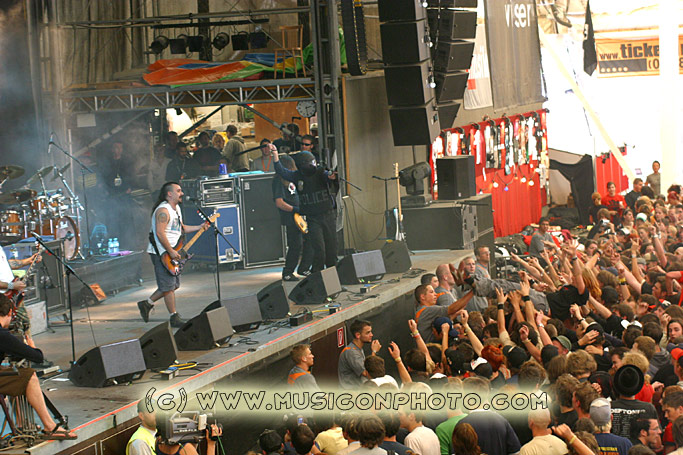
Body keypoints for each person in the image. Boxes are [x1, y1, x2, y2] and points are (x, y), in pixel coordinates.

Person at [0, 294, 77, 440]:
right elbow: (37, 357)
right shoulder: (2, 335)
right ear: (9, 312)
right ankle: (49, 426)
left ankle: (22, 424)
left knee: (14, 375)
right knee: (29, 375)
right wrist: (31, 347)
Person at [137, 182, 209, 328]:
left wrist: (199, 227)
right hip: (162, 253)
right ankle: (174, 316)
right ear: (170, 194)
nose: (182, 193)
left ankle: (147, 303)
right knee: (168, 286)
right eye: (179, 191)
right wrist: (170, 251)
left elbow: (181, 228)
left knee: (173, 285)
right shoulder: (163, 210)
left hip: (173, 251)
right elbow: (159, 233)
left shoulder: (176, 209)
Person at [272, 145, 339, 273]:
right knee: (319, 249)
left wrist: (331, 176)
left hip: (327, 214)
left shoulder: (320, 172)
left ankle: (333, 277)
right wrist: (275, 154)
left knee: (331, 249)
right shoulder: (297, 176)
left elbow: (328, 176)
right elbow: (281, 171)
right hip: (313, 218)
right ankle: (318, 276)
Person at [272, 154, 303, 281]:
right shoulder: (278, 181)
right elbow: (279, 202)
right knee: (295, 244)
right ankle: (288, 272)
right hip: (290, 217)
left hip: (298, 216)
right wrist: (295, 209)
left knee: (303, 243)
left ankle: (303, 268)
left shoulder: (291, 179)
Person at [338, 319, 381, 389]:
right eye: (368, 333)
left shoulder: (358, 349)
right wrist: (374, 351)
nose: (371, 335)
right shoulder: (351, 352)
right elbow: (367, 374)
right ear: (358, 335)